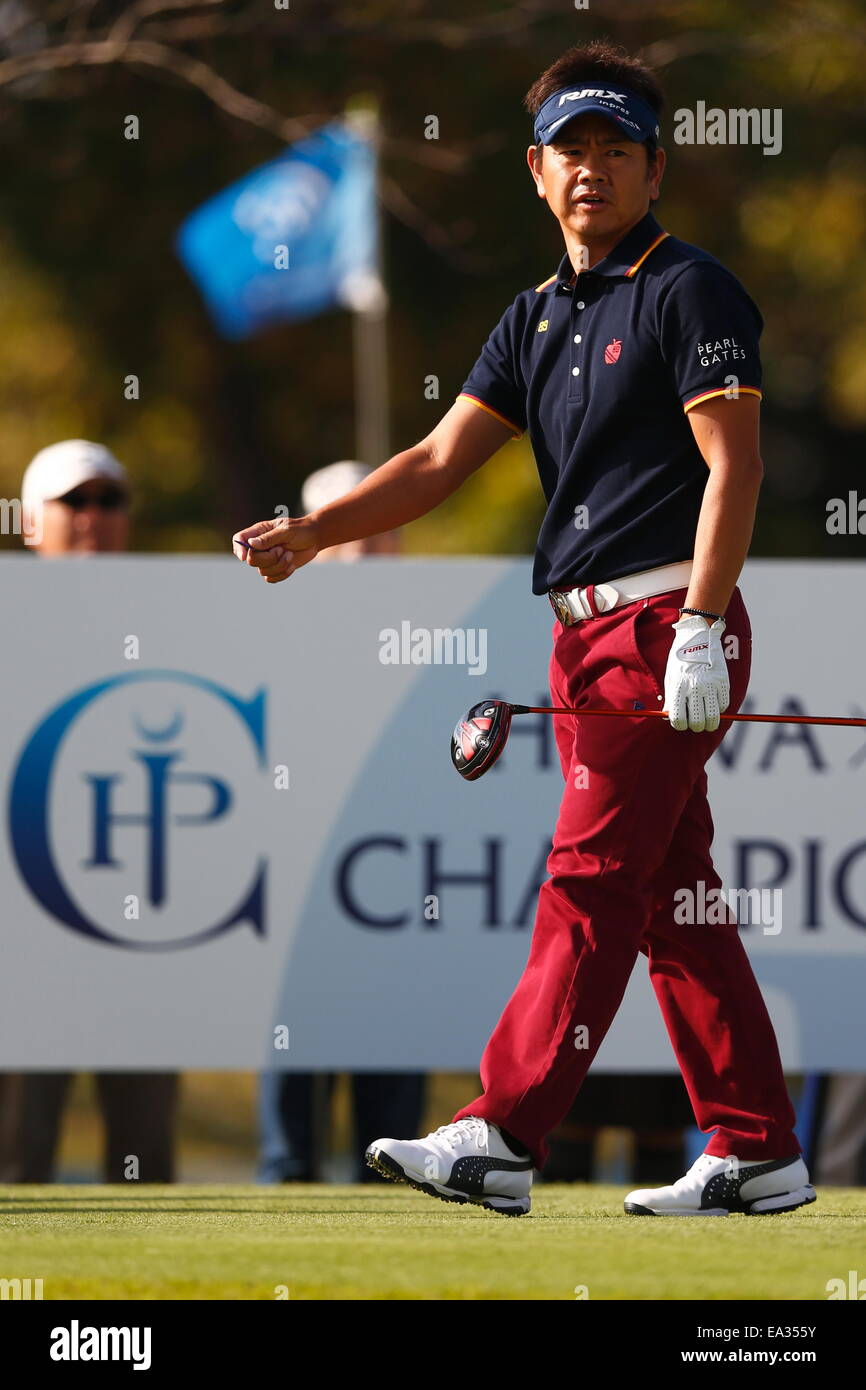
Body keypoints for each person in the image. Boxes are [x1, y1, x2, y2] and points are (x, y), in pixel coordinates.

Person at [232, 41, 814, 1219]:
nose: (589, 170)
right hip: (583, 635)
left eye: (614, 150)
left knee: (590, 879)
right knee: (669, 895)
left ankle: (500, 1130)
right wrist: (314, 528)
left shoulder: (686, 288)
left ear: (654, 171)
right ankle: (754, 1145)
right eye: (568, 151)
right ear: (536, 175)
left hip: (663, 622)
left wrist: (701, 621)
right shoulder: (535, 315)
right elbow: (439, 460)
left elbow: (733, 464)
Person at [0, 440, 179, 1183]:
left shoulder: (180, 624)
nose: (94, 518)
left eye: (110, 501)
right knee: (18, 1145)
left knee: (146, 1147)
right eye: (75, 502)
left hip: (145, 914)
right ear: (31, 521)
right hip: (25, 914)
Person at [257, 461, 426, 1184]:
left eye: (376, 527)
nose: (362, 545)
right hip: (301, 890)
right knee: (295, 1086)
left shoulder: (433, 637)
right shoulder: (275, 636)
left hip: (403, 888)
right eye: (343, 528)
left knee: (390, 1102)